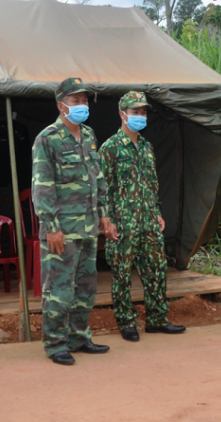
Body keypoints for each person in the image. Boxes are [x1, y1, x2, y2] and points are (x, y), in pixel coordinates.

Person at [31, 77, 115, 365]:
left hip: (88, 228)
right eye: (75, 100)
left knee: (86, 287)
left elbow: (98, 180)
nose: (82, 105)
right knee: (59, 290)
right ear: (61, 105)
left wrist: (103, 215)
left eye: (84, 100)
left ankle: (79, 337)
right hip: (62, 231)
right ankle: (55, 344)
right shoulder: (47, 139)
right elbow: (42, 188)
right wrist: (52, 228)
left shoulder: (90, 135)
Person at [99, 91, 186, 342]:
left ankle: (157, 319)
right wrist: (107, 221)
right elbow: (101, 189)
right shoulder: (110, 148)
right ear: (122, 114)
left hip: (148, 220)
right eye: (135, 111)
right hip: (122, 223)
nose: (140, 116)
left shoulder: (147, 147)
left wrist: (156, 213)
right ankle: (126, 322)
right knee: (122, 274)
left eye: (144, 111)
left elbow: (152, 184)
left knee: (157, 269)